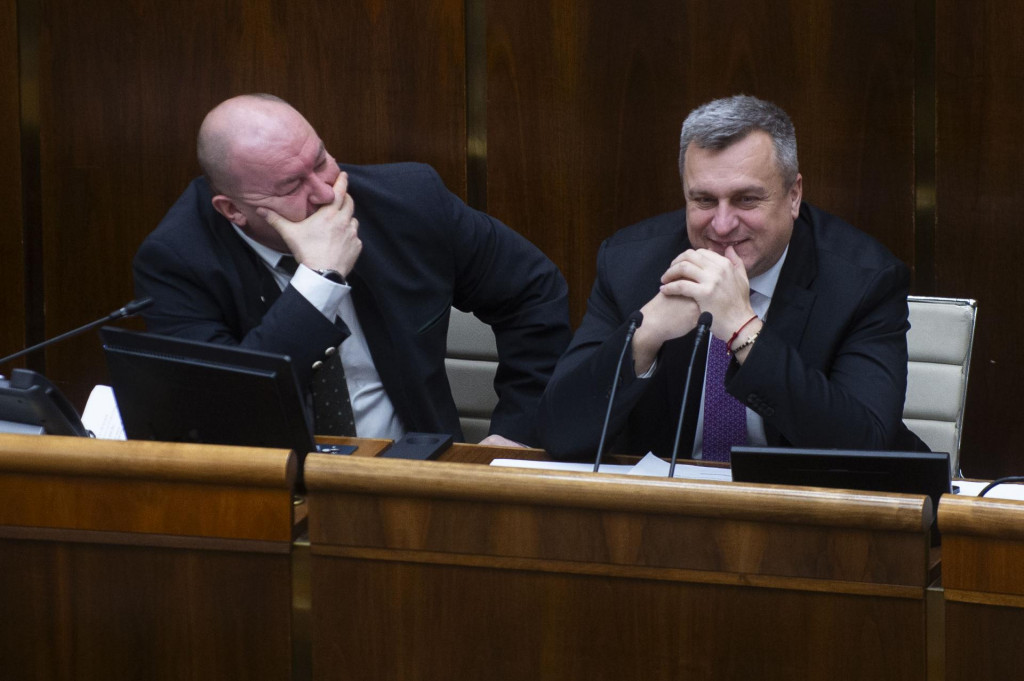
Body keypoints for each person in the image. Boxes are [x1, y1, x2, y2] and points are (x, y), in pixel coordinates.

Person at [134, 93, 571, 448]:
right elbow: (222, 410)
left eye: (321, 159)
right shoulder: (178, 262)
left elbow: (533, 291)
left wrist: (518, 430)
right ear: (234, 210)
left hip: (420, 478)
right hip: (276, 496)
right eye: (291, 186)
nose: (325, 193)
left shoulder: (408, 204)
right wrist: (318, 283)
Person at [539, 94, 927, 460]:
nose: (722, 226)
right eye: (704, 201)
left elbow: (865, 449)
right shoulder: (629, 266)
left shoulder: (862, 281)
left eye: (746, 199)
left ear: (794, 195)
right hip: (667, 511)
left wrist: (743, 331)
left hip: (803, 511)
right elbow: (559, 434)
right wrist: (644, 335)